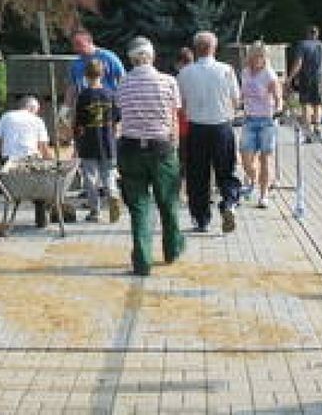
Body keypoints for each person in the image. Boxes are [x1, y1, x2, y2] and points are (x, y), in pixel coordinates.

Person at [116, 37, 184, 275]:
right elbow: (174, 119)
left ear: (131, 59)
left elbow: (122, 115)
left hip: (131, 149)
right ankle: (172, 249)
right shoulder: (169, 82)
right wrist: (174, 145)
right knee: (168, 202)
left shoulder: (122, 83)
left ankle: (142, 261)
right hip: (161, 149)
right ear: (152, 56)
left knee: (139, 207)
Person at [177, 31, 242, 234]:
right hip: (222, 125)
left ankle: (201, 218)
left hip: (196, 128)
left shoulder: (185, 73)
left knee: (197, 176)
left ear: (195, 49)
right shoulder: (227, 70)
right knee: (226, 170)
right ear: (214, 48)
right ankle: (229, 202)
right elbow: (236, 100)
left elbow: (181, 104)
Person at [0, 95, 54, 226]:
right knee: (44, 185)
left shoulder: (6, 116)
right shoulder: (37, 120)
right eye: (36, 110)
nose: (37, 113)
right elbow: (44, 149)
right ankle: (42, 216)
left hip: (9, 167)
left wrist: (0, 162)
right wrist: (54, 163)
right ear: (31, 108)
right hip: (30, 165)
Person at [73, 60, 121, 223]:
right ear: (103, 74)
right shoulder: (111, 94)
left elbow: (79, 122)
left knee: (90, 177)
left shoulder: (84, 96)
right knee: (108, 174)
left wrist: (75, 141)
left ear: (86, 75)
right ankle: (113, 194)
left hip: (89, 141)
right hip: (107, 140)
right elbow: (117, 118)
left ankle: (95, 211)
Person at [239, 42, 282, 208]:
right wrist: (237, 104)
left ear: (265, 58)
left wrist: (278, 108)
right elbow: (242, 94)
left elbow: (278, 96)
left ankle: (263, 196)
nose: (257, 59)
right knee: (245, 158)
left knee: (265, 158)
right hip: (249, 119)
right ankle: (252, 176)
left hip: (266, 120)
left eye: (261, 56)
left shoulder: (269, 74)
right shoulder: (245, 72)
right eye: (255, 56)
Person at [64, 28, 126, 108]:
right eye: (74, 45)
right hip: (86, 105)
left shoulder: (109, 57)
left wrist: (122, 102)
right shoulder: (75, 65)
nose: (76, 49)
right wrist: (66, 107)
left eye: (79, 44)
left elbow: (123, 79)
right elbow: (72, 87)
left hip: (108, 104)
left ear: (89, 42)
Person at [287, 25, 322, 141]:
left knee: (306, 105)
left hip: (306, 78)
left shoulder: (302, 45)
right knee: (318, 104)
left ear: (307, 34)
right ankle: (317, 128)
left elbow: (299, 63)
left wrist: (290, 78)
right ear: (317, 34)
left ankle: (308, 133)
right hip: (319, 79)